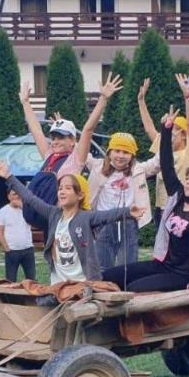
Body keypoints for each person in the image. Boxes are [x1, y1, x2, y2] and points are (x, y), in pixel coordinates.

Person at [101, 107, 189, 293]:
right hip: (162, 264)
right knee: (110, 276)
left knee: (132, 289)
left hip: (182, 275)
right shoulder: (178, 197)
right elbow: (167, 165)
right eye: (187, 178)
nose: (188, 182)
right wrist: (166, 129)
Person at [0, 160, 144, 284]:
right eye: (60, 188)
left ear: (79, 195)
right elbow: (30, 198)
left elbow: (107, 215)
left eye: (68, 188)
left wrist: (128, 211)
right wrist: (9, 177)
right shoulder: (53, 214)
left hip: (82, 284)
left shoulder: (86, 217)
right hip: (58, 284)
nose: (62, 191)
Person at [72, 72, 156, 270]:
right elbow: (82, 142)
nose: (120, 156)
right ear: (109, 152)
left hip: (129, 223)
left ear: (133, 155)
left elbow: (162, 154)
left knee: (128, 269)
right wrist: (103, 99)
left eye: (126, 152)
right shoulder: (97, 167)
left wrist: (142, 103)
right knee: (103, 269)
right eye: (116, 151)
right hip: (103, 223)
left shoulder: (139, 170)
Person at [18, 81, 83, 229]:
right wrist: (25, 103)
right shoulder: (49, 155)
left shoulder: (75, 160)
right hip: (47, 218)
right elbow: (36, 130)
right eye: (53, 138)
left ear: (72, 140)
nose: (55, 142)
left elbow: (87, 132)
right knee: (50, 253)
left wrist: (103, 99)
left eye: (61, 138)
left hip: (63, 220)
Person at [138, 73, 189, 227]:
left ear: (184, 135)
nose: (171, 132)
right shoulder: (164, 148)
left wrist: (188, 97)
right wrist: (141, 101)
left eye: (176, 130)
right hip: (162, 208)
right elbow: (149, 128)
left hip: (182, 205)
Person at [0, 187, 37, 282]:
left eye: (19, 194)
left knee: (32, 280)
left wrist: (23, 207)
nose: (17, 196)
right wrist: (7, 248)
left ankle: (31, 297)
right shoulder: (3, 211)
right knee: (10, 280)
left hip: (28, 249)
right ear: (9, 196)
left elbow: (35, 222)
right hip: (12, 251)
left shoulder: (27, 209)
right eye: (14, 194)